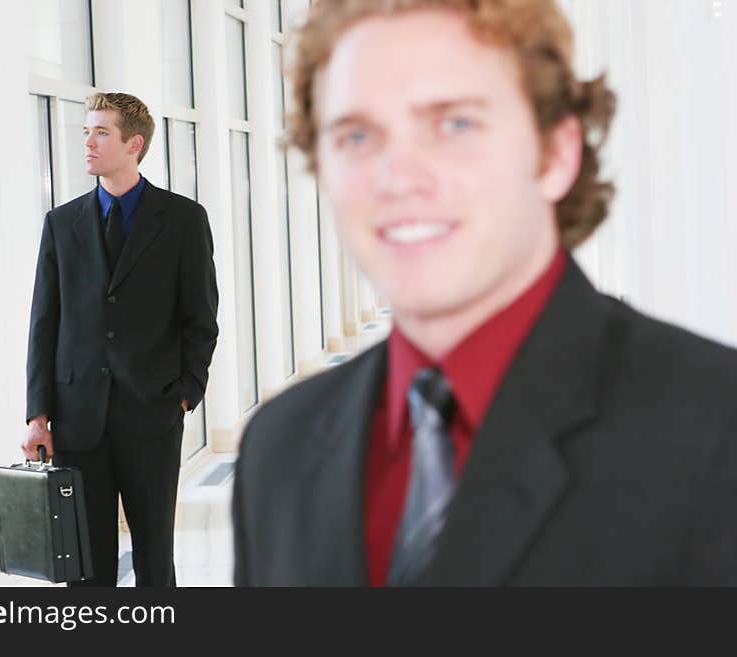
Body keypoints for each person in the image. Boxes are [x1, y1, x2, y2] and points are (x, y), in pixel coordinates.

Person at [232, 0, 737, 586]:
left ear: (556, 154)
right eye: (357, 135)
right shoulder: (279, 448)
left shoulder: (715, 430)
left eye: (455, 124)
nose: (396, 177)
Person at [23, 92, 218, 587]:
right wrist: (37, 413)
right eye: (86, 131)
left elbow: (201, 318)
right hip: (77, 416)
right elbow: (44, 323)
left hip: (152, 414)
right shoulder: (61, 224)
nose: (87, 141)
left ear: (134, 144)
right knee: (85, 564)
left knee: (155, 558)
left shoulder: (182, 220)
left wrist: (184, 396)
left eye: (101, 132)